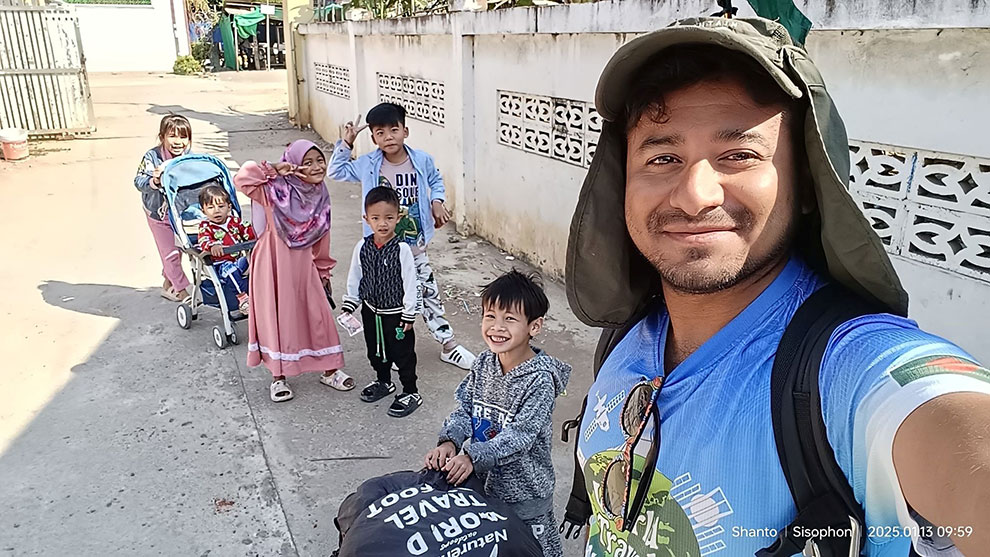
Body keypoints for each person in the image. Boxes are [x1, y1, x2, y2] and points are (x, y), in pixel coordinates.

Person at [564, 16, 990, 557]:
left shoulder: (843, 374)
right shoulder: (628, 338)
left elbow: (953, 427)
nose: (694, 196)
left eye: (738, 155)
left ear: (808, 182)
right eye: (662, 157)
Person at [424, 269, 570, 557]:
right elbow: (465, 407)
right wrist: (449, 442)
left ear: (535, 326)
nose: (497, 327)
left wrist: (472, 457)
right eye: (490, 316)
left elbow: (521, 436)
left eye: (510, 319)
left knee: (534, 551)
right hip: (484, 490)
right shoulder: (484, 363)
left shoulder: (539, 380)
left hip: (526, 496)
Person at [329, 102, 477, 371]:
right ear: (373, 137)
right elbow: (336, 172)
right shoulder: (368, 165)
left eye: (393, 130)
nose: (388, 137)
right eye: (380, 132)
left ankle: (449, 344)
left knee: (428, 294)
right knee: (390, 303)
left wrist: (437, 201)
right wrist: (346, 144)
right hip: (383, 250)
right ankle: (397, 350)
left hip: (414, 246)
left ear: (405, 131)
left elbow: (435, 181)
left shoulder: (421, 160)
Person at [234, 139, 354, 402]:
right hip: (272, 263)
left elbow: (324, 237)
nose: (315, 167)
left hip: (304, 265)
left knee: (317, 314)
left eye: (319, 160)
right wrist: (275, 169)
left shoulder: (320, 195)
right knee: (278, 317)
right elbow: (242, 178)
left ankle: (330, 369)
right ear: (295, 164)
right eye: (307, 162)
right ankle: (278, 377)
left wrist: (323, 271)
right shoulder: (273, 189)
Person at [340, 187, 422, 418]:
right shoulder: (362, 247)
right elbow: (355, 276)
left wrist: (409, 313)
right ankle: (384, 381)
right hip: (371, 312)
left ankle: (410, 390)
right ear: (366, 219)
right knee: (375, 351)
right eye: (375, 218)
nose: (382, 223)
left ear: (398, 217)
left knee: (402, 353)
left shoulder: (402, 250)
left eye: (388, 217)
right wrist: (351, 303)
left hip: (396, 314)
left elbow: (410, 282)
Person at [134, 114, 193, 302]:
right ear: (162, 137)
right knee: (170, 253)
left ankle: (168, 283)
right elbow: (138, 180)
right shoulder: (152, 157)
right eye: (172, 136)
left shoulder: (189, 157)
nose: (178, 142)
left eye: (183, 137)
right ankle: (183, 291)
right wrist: (154, 180)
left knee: (182, 248)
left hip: (180, 212)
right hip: (158, 213)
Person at [196, 184, 256, 313]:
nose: (216, 211)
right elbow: (204, 240)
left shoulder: (234, 221)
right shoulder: (205, 227)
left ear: (229, 207)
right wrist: (213, 245)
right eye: (210, 207)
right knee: (230, 269)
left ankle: (264, 293)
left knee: (258, 258)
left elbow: (247, 231)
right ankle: (243, 298)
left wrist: (256, 234)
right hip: (221, 264)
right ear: (203, 211)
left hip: (239, 259)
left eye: (221, 206)